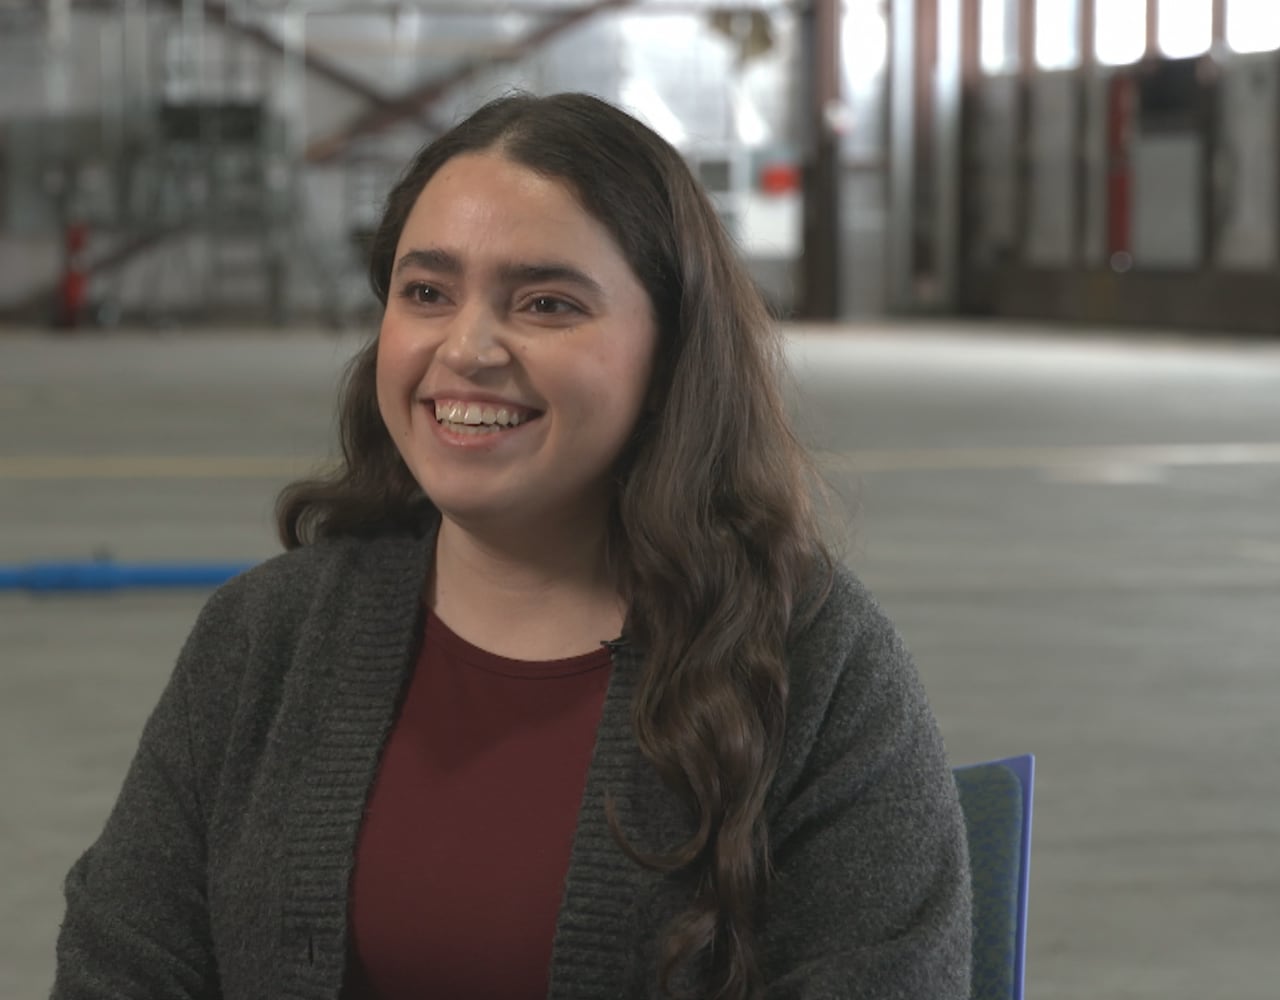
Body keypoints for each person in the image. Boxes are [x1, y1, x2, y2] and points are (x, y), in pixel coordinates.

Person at [51, 92, 970, 1000]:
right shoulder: (265, 637)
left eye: (544, 303)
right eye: (426, 292)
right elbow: (119, 966)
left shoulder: (816, 664)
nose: (467, 347)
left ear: (671, 351)